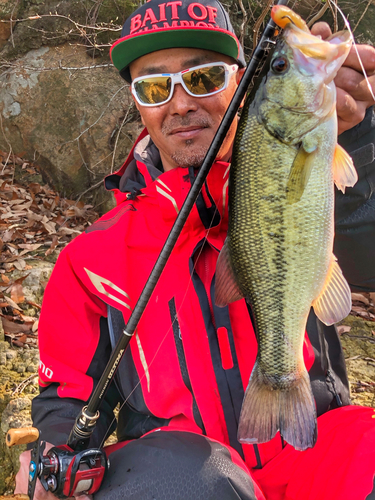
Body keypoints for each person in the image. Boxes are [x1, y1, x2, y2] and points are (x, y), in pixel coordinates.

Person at [15, 0, 375, 499]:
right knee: (197, 479)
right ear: (138, 103)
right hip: (181, 476)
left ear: (239, 82)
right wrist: (57, 455)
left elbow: (366, 252)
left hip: (318, 457)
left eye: (203, 78)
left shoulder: (314, 153)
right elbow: (68, 394)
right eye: (155, 86)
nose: (180, 103)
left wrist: (358, 142)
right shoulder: (89, 259)